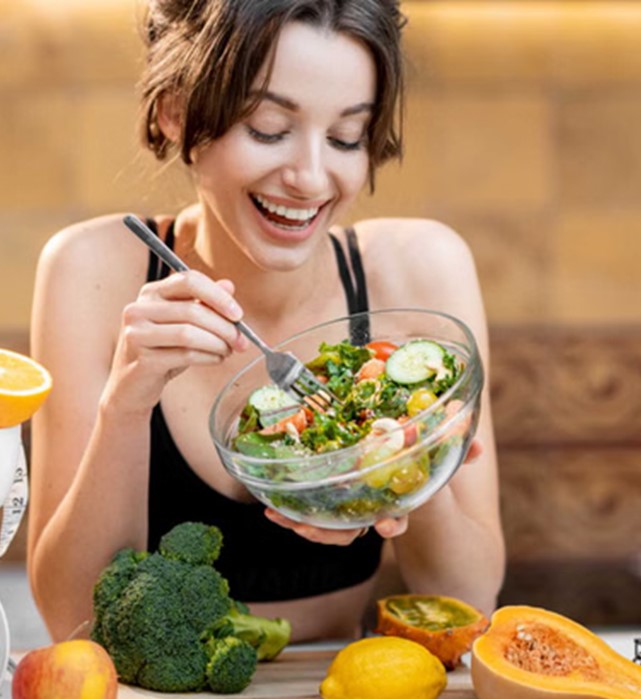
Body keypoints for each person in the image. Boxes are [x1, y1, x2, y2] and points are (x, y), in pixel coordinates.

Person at [28, 0, 503, 643]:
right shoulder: (92, 271)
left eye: (345, 138)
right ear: (175, 111)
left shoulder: (418, 270)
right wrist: (127, 404)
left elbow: (467, 598)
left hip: (344, 695)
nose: (309, 178)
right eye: (268, 127)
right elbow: (73, 621)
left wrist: (415, 466)